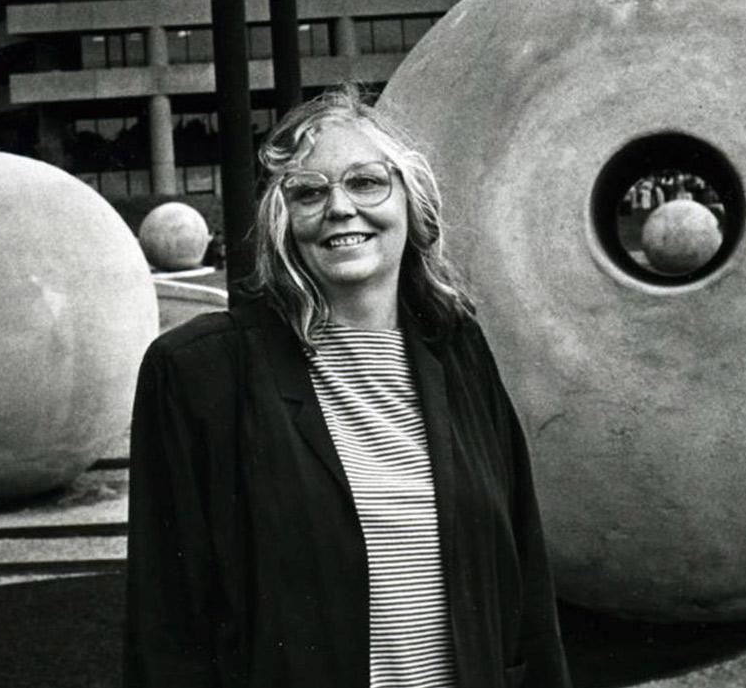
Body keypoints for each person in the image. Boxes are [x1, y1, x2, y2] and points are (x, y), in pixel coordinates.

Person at [124, 85, 572, 688]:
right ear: (282, 221)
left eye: (365, 182)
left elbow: (525, 591)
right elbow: (166, 628)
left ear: (413, 205)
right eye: (309, 192)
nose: (339, 207)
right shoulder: (199, 372)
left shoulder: (459, 350)